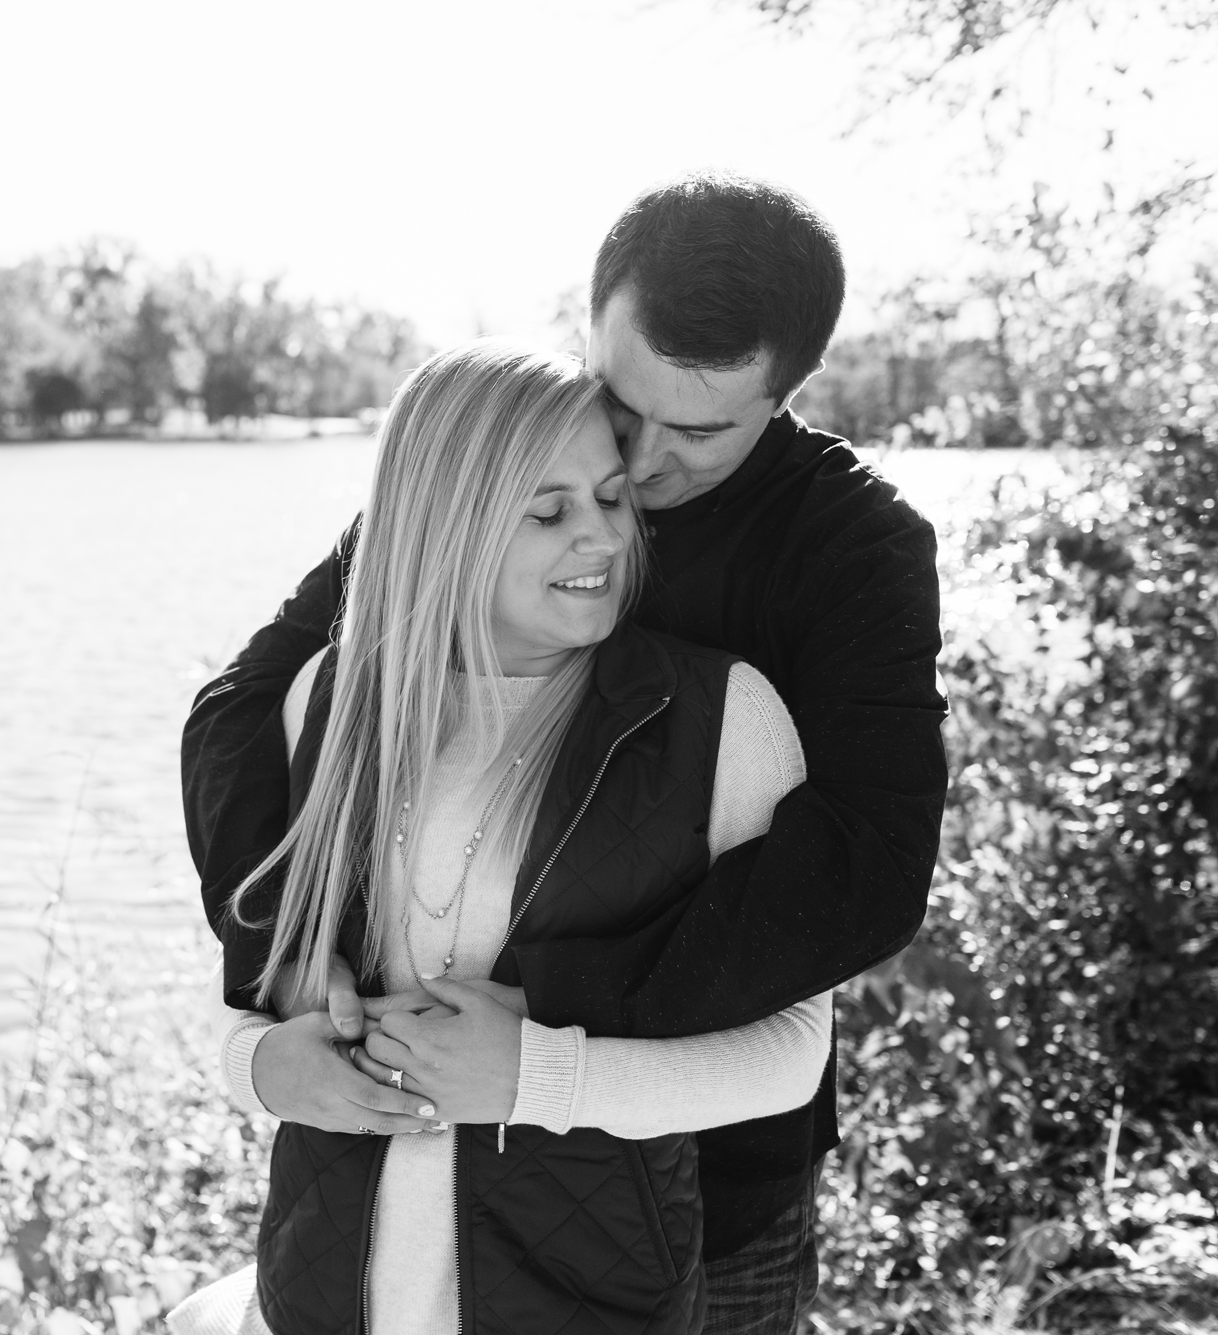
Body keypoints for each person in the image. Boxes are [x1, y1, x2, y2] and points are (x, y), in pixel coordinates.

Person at [181, 174, 948, 1335]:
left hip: (712, 1158)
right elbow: (244, 711)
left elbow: (864, 869)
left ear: (786, 395)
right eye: (619, 402)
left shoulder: (852, 549)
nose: (632, 470)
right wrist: (287, 963)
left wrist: (543, 1023)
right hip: (403, 1190)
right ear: (594, 328)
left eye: (694, 432)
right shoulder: (492, 480)